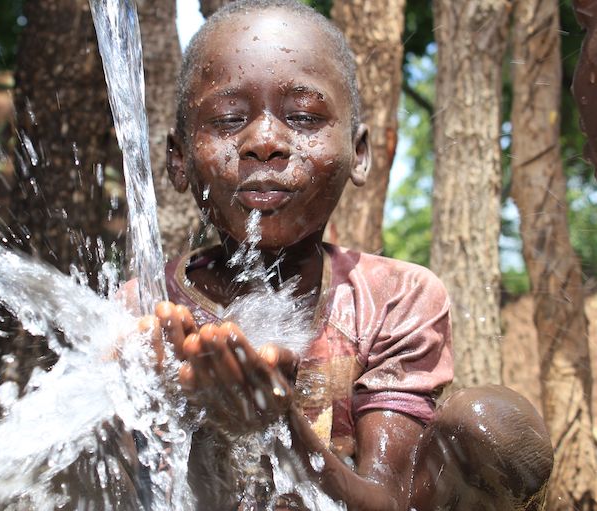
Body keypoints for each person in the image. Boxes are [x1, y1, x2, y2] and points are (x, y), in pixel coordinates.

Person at [135, 1, 553, 509]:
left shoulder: (393, 299)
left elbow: (389, 500)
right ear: (178, 160)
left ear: (358, 152)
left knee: (493, 421)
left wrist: (281, 424)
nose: (264, 142)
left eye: (304, 117)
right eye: (228, 120)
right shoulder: (146, 311)